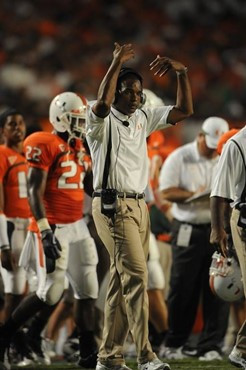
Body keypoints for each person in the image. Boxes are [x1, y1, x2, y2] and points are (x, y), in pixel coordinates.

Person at [86, 42, 193, 370]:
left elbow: (184, 110)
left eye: (139, 92)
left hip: (139, 206)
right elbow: (103, 104)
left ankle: (109, 356)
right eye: (130, 91)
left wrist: (182, 74)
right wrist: (115, 61)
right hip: (111, 205)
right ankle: (146, 354)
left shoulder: (144, 118)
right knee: (137, 275)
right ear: (117, 91)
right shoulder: (99, 119)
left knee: (122, 281)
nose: (136, 97)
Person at [0, 92, 99, 370]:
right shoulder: (43, 142)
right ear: (60, 118)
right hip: (52, 225)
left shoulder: (79, 146)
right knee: (50, 292)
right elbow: (34, 190)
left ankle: (87, 350)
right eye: (75, 118)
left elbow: (88, 186)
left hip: (77, 224)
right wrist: (44, 230)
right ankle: (6, 335)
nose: (80, 124)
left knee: (87, 287)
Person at [158, 116, 230, 361]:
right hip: (188, 226)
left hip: (217, 227)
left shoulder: (224, 156)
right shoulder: (180, 156)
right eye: (209, 144)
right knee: (182, 287)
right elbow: (166, 190)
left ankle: (211, 345)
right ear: (200, 136)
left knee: (217, 288)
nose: (212, 150)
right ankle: (175, 342)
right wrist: (196, 195)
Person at [210, 125, 246, 369]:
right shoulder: (237, 144)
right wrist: (218, 228)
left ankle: (242, 350)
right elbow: (218, 192)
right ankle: (242, 350)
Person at [0, 108, 31, 320]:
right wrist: (3, 245)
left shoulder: (30, 153)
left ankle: (19, 342)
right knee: (14, 292)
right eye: (12, 124)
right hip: (11, 227)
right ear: (3, 131)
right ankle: (6, 345)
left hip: (32, 227)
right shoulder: (2, 154)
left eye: (20, 123)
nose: (18, 128)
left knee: (35, 290)